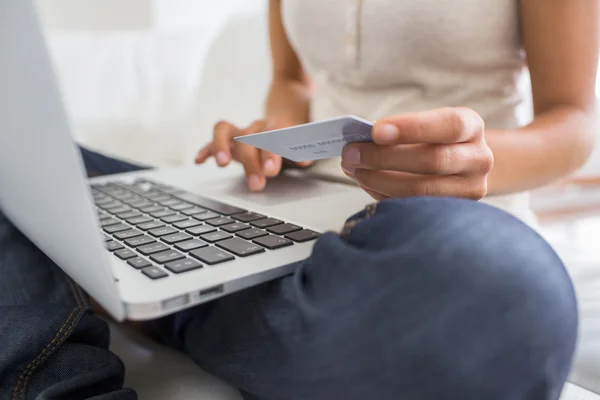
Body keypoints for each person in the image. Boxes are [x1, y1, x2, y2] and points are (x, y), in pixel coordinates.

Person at [1, 1, 596, 399]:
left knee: (506, 291)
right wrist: (276, 141)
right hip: (280, 206)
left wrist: (472, 156)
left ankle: (163, 305)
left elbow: (574, 121)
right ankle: (106, 340)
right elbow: (291, 81)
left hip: (431, 234)